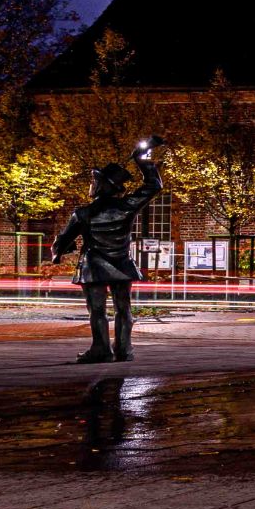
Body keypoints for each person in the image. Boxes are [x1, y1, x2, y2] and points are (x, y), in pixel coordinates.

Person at [52, 139, 164, 363]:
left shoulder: (82, 213)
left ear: (104, 185)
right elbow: (154, 186)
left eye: (95, 180)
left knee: (97, 310)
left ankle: (101, 349)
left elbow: (62, 242)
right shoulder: (127, 207)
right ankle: (124, 349)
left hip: (93, 266)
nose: (92, 184)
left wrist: (58, 250)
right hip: (122, 263)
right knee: (123, 308)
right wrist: (143, 161)